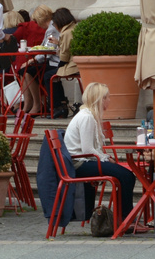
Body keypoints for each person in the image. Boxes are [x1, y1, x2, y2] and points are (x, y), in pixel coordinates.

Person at [63, 83, 135, 221]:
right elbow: (87, 150)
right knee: (126, 176)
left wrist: (105, 158)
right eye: (107, 97)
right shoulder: (86, 117)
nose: (109, 100)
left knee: (126, 175)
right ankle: (125, 220)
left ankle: (124, 218)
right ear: (99, 99)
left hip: (81, 160)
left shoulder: (88, 115)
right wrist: (106, 159)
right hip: (77, 163)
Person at [52, 8, 81, 117]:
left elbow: (64, 56)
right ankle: (62, 104)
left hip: (71, 65)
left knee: (48, 76)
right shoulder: (74, 28)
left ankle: (58, 105)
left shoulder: (66, 32)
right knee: (52, 74)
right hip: (74, 63)